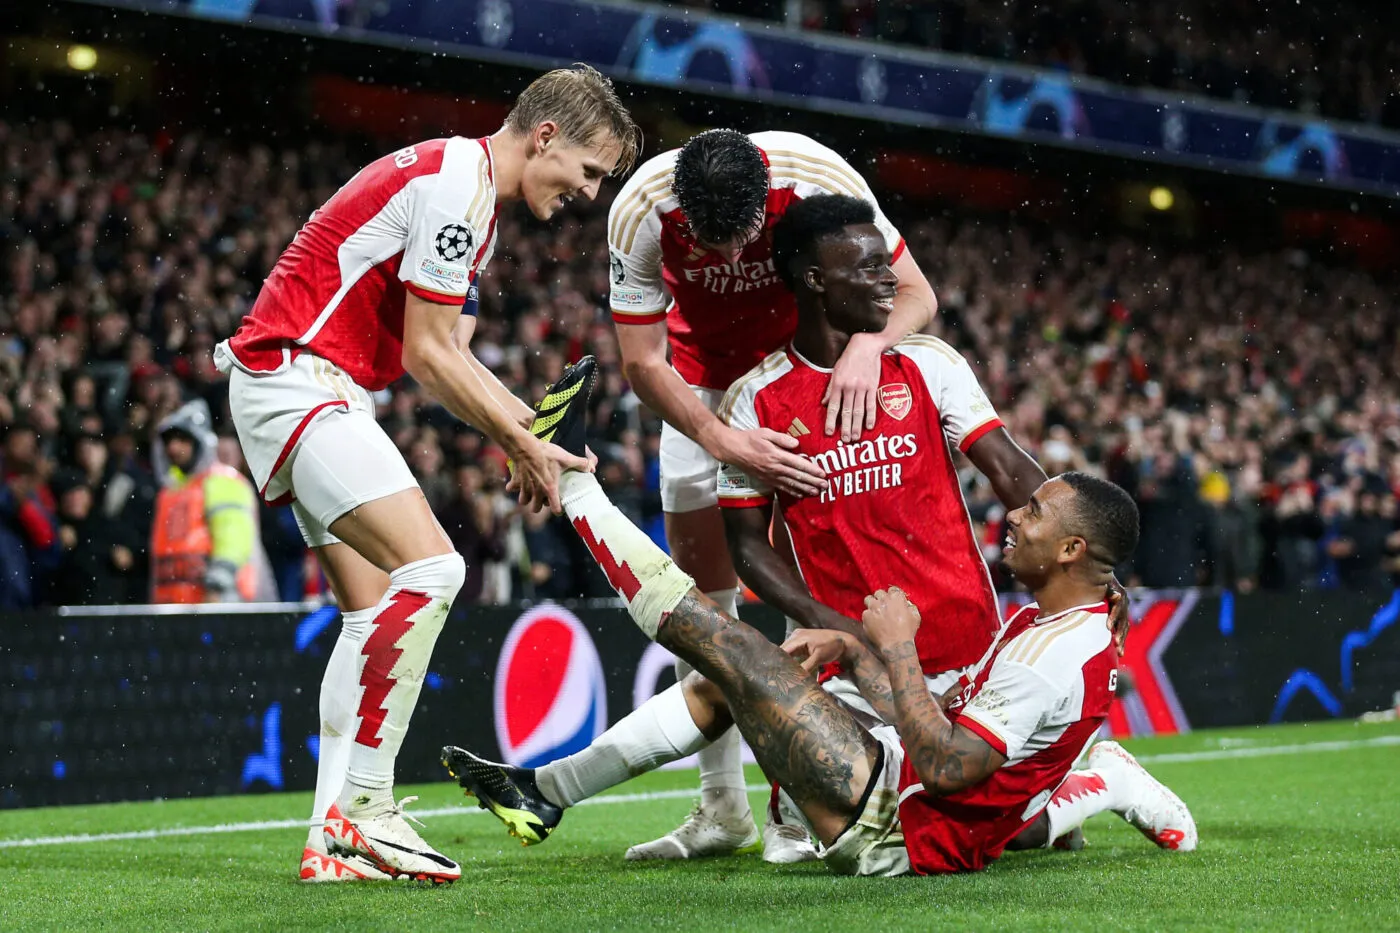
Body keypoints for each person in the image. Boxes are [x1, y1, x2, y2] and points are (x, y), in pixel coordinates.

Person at [444, 392, 1196, 874]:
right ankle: (544, 791)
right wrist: (856, 649)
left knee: (726, 644)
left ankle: (573, 486)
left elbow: (947, 771)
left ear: (1073, 551)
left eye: (1036, 513)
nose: (1016, 515)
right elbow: (958, 751)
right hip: (898, 772)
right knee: (730, 672)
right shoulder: (1062, 616)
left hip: (893, 824)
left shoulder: (1052, 649)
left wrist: (894, 645)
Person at [213, 65, 639, 883]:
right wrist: (524, 440)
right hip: (299, 376)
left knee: (369, 613)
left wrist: (527, 434)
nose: (588, 193)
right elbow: (427, 354)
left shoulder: (467, 198)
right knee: (437, 566)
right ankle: (366, 811)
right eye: (588, 171)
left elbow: (454, 354)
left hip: (298, 382)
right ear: (545, 136)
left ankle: (327, 843)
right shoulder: (456, 184)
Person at [607, 128, 939, 860]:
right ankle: (721, 809)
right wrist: (720, 435)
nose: (727, 260)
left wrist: (865, 346)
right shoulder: (640, 208)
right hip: (701, 395)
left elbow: (915, 292)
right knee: (699, 607)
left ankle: (825, 797)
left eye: (743, 240)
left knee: (825, 589)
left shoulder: (814, 173)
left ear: (767, 200)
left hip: (811, 389)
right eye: (708, 243)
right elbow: (640, 358)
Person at [150, 399, 274, 604]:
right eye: (168, 441)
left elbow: (234, 537)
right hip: (174, 602)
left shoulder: (222, 482)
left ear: (198, 442)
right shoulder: (169, 492)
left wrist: (218, 584)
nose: (173, 447)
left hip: (219, 600)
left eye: (182, 439)